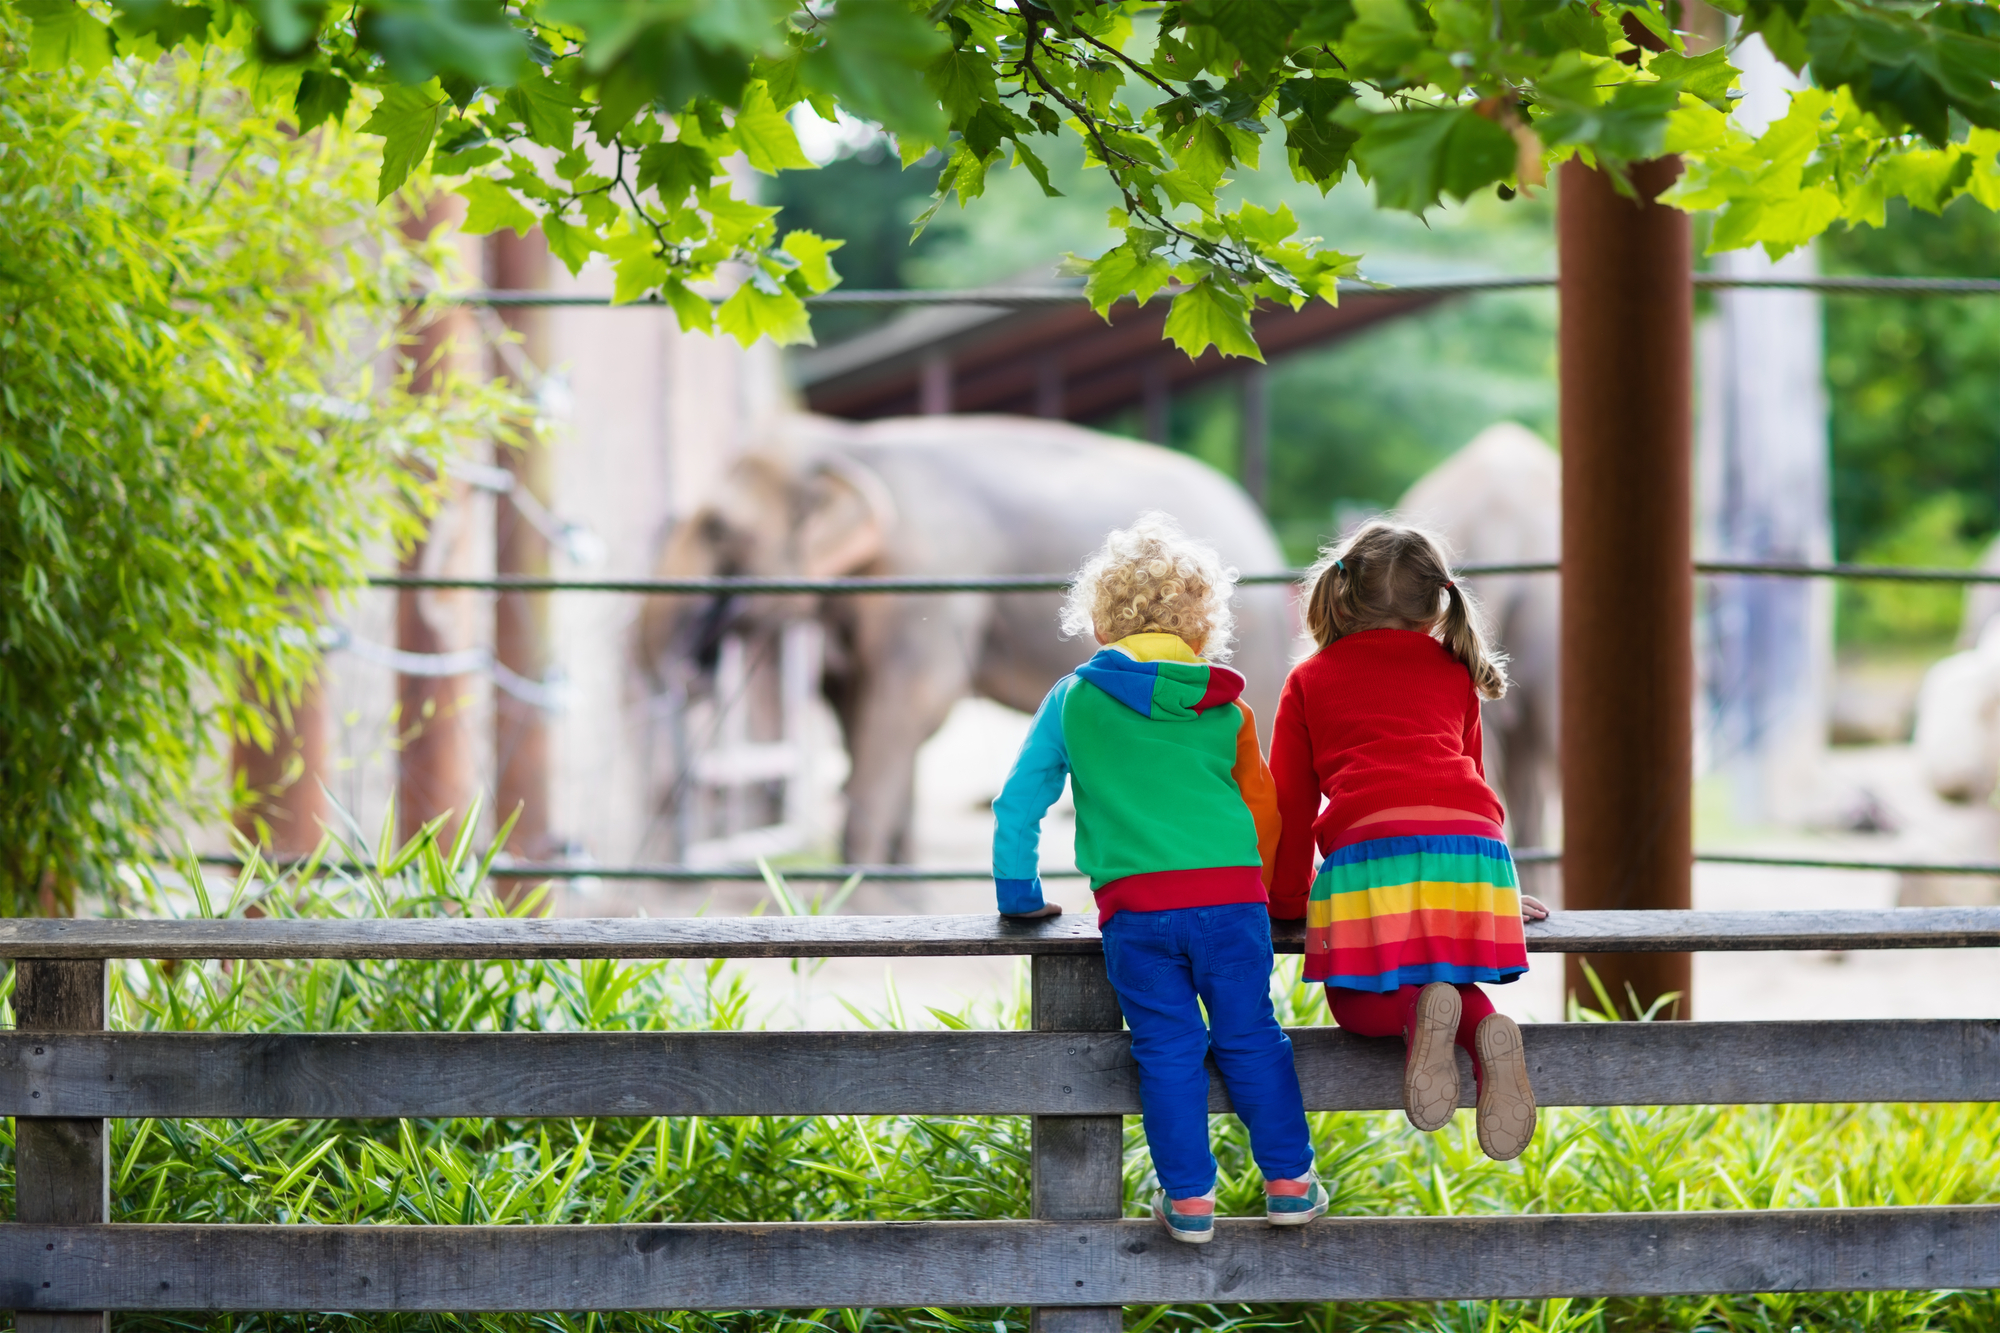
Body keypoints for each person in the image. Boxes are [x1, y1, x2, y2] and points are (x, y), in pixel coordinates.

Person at [991, 513, 1326, 1244]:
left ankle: (1190, 1201)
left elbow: (1020, 801)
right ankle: (1291, 1184)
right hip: (1235, 903)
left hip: (1137, 912)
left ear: (1101, 617)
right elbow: (1263, 804)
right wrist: (1269, 896)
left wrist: (1019, 898)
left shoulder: (1076, 698)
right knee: (1252, 1036)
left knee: (1166, 1048)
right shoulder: (1225, 705)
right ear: (1202, 623)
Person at [1269, 519, 1550, 1162]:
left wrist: (1286, 901)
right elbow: (1468, 787)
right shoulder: (1456, 673)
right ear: (1434, 607)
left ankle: (1414, 1015)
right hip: (1476, 856)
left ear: (1340, 595)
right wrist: (1501, 891)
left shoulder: (1310, 680)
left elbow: (1289, 803)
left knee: (1356, 1003)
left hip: (1372, 849)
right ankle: (1484, 1033)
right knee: (1448, 981)